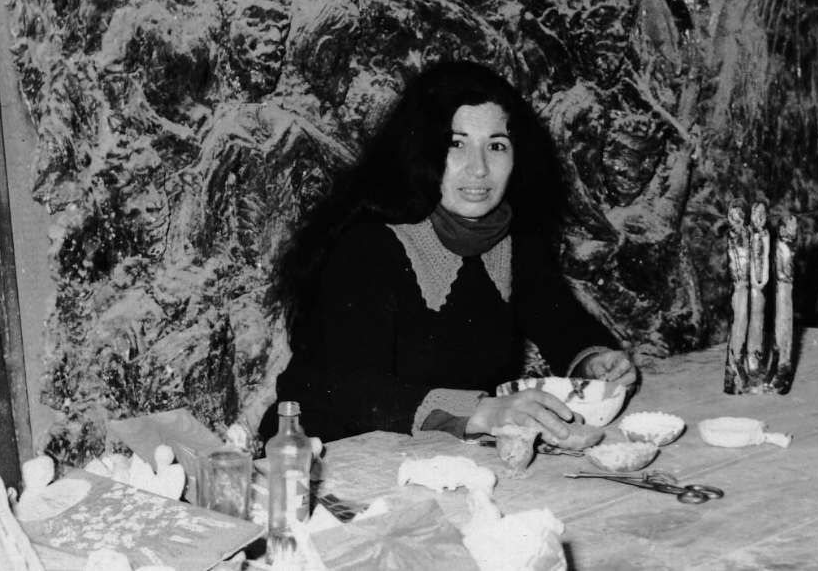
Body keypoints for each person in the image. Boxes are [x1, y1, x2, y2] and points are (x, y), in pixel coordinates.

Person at [259, 60, 636, 444]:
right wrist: (481, 411)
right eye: (456, 144)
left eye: (496, 145)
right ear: (422, 149)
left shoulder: (512, 238)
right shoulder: (369, 244)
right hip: (321, 453)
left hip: (430, 453)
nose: (479, 169)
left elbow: (561, 322)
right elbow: (356, 389)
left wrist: (593, 361)